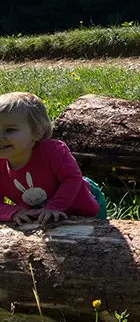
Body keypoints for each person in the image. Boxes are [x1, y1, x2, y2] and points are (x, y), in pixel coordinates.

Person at [0, 91, 105, 225]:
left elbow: (72, 178)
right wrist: (14, 211)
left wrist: (54, 207)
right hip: (44, 221)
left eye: (9, 130)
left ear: (37, 132)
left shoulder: (52, 151)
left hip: (83, 209)